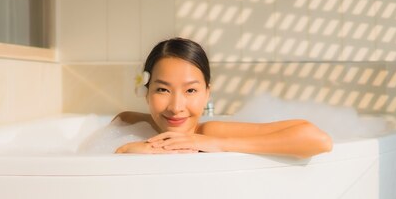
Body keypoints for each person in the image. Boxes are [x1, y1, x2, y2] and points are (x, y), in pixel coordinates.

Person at [114, 38, 333, 158]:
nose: (176, 107)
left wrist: (212, 143)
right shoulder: (129, 123)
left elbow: (318, 139)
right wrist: (124, 150)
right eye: (163, 90)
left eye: (190, 91)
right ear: (147, 91)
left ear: (207, 93)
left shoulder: (208, 132)